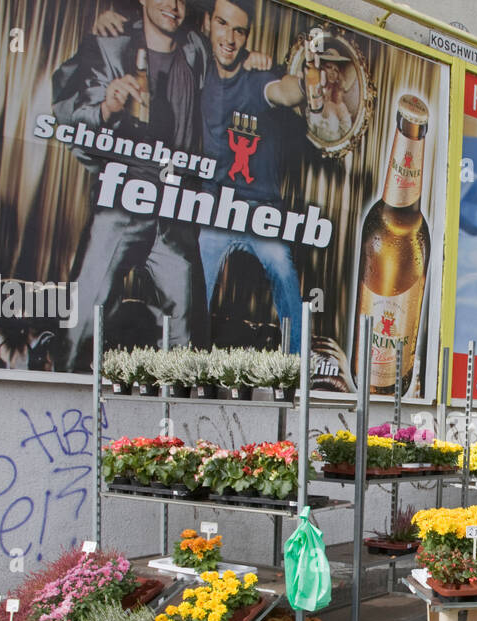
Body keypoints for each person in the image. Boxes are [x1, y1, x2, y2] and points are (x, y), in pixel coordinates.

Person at [95, 0, 309, 353]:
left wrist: (303, 82)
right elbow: (155, 30)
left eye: (239, 30)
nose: (229, 37)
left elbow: (286, 92)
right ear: (208, 23)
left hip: (262, 213)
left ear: (247, 36)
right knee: (195, 287)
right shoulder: (196, 68)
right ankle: (187, 364)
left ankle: (298, 367)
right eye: (222, 24)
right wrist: (111, 19)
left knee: (284, 273)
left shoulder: (258, 77)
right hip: (215, 209)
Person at [53, 0, 209, 371]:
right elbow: (69, 118)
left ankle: (179, 423)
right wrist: (107, 107)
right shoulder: (111, 45)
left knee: (187, 338)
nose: (173, 5)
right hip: (123, 201)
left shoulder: (195, 48)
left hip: (175, 208)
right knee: (83, 316)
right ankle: (62, 399)